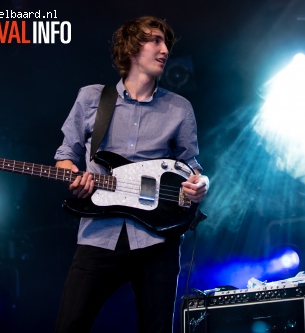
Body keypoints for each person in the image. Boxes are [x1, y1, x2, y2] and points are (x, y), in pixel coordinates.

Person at [53, 15, 209, 333]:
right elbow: (65, 157)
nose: (164, 49)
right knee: (70, 326)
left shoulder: (179, 108)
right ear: (130, 47)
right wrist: (73, 177)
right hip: (99, 233)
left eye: (166, 43)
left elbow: (192, 168)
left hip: (157, 238)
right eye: (155, 40)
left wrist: (201, 184)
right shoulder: (92, 98)